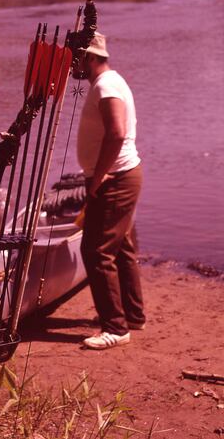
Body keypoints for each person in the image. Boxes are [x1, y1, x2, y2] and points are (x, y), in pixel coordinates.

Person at [74, 32, 145, 350]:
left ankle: (115, 327)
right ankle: (133, 315)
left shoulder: (105, 85)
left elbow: (116, 134)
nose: (71, 65)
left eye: (75, 57)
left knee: (96, 251)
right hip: (119, 176)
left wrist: (98, 177)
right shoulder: (110, 81)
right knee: (122, 248)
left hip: (115, 179)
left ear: (89, 57)